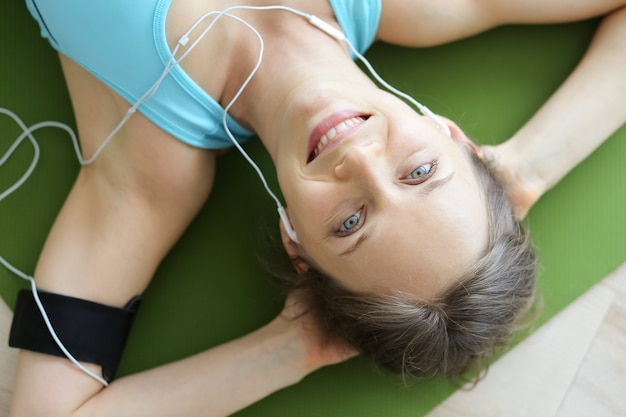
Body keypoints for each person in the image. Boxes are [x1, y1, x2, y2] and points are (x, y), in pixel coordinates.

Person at [4, 0, 626, 416]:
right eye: (421, 172)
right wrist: (526, 169)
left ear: (295, 241)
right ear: (452, 134)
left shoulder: (148, 170)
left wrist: (293, 349)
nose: (359, 161)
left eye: (350, 222)